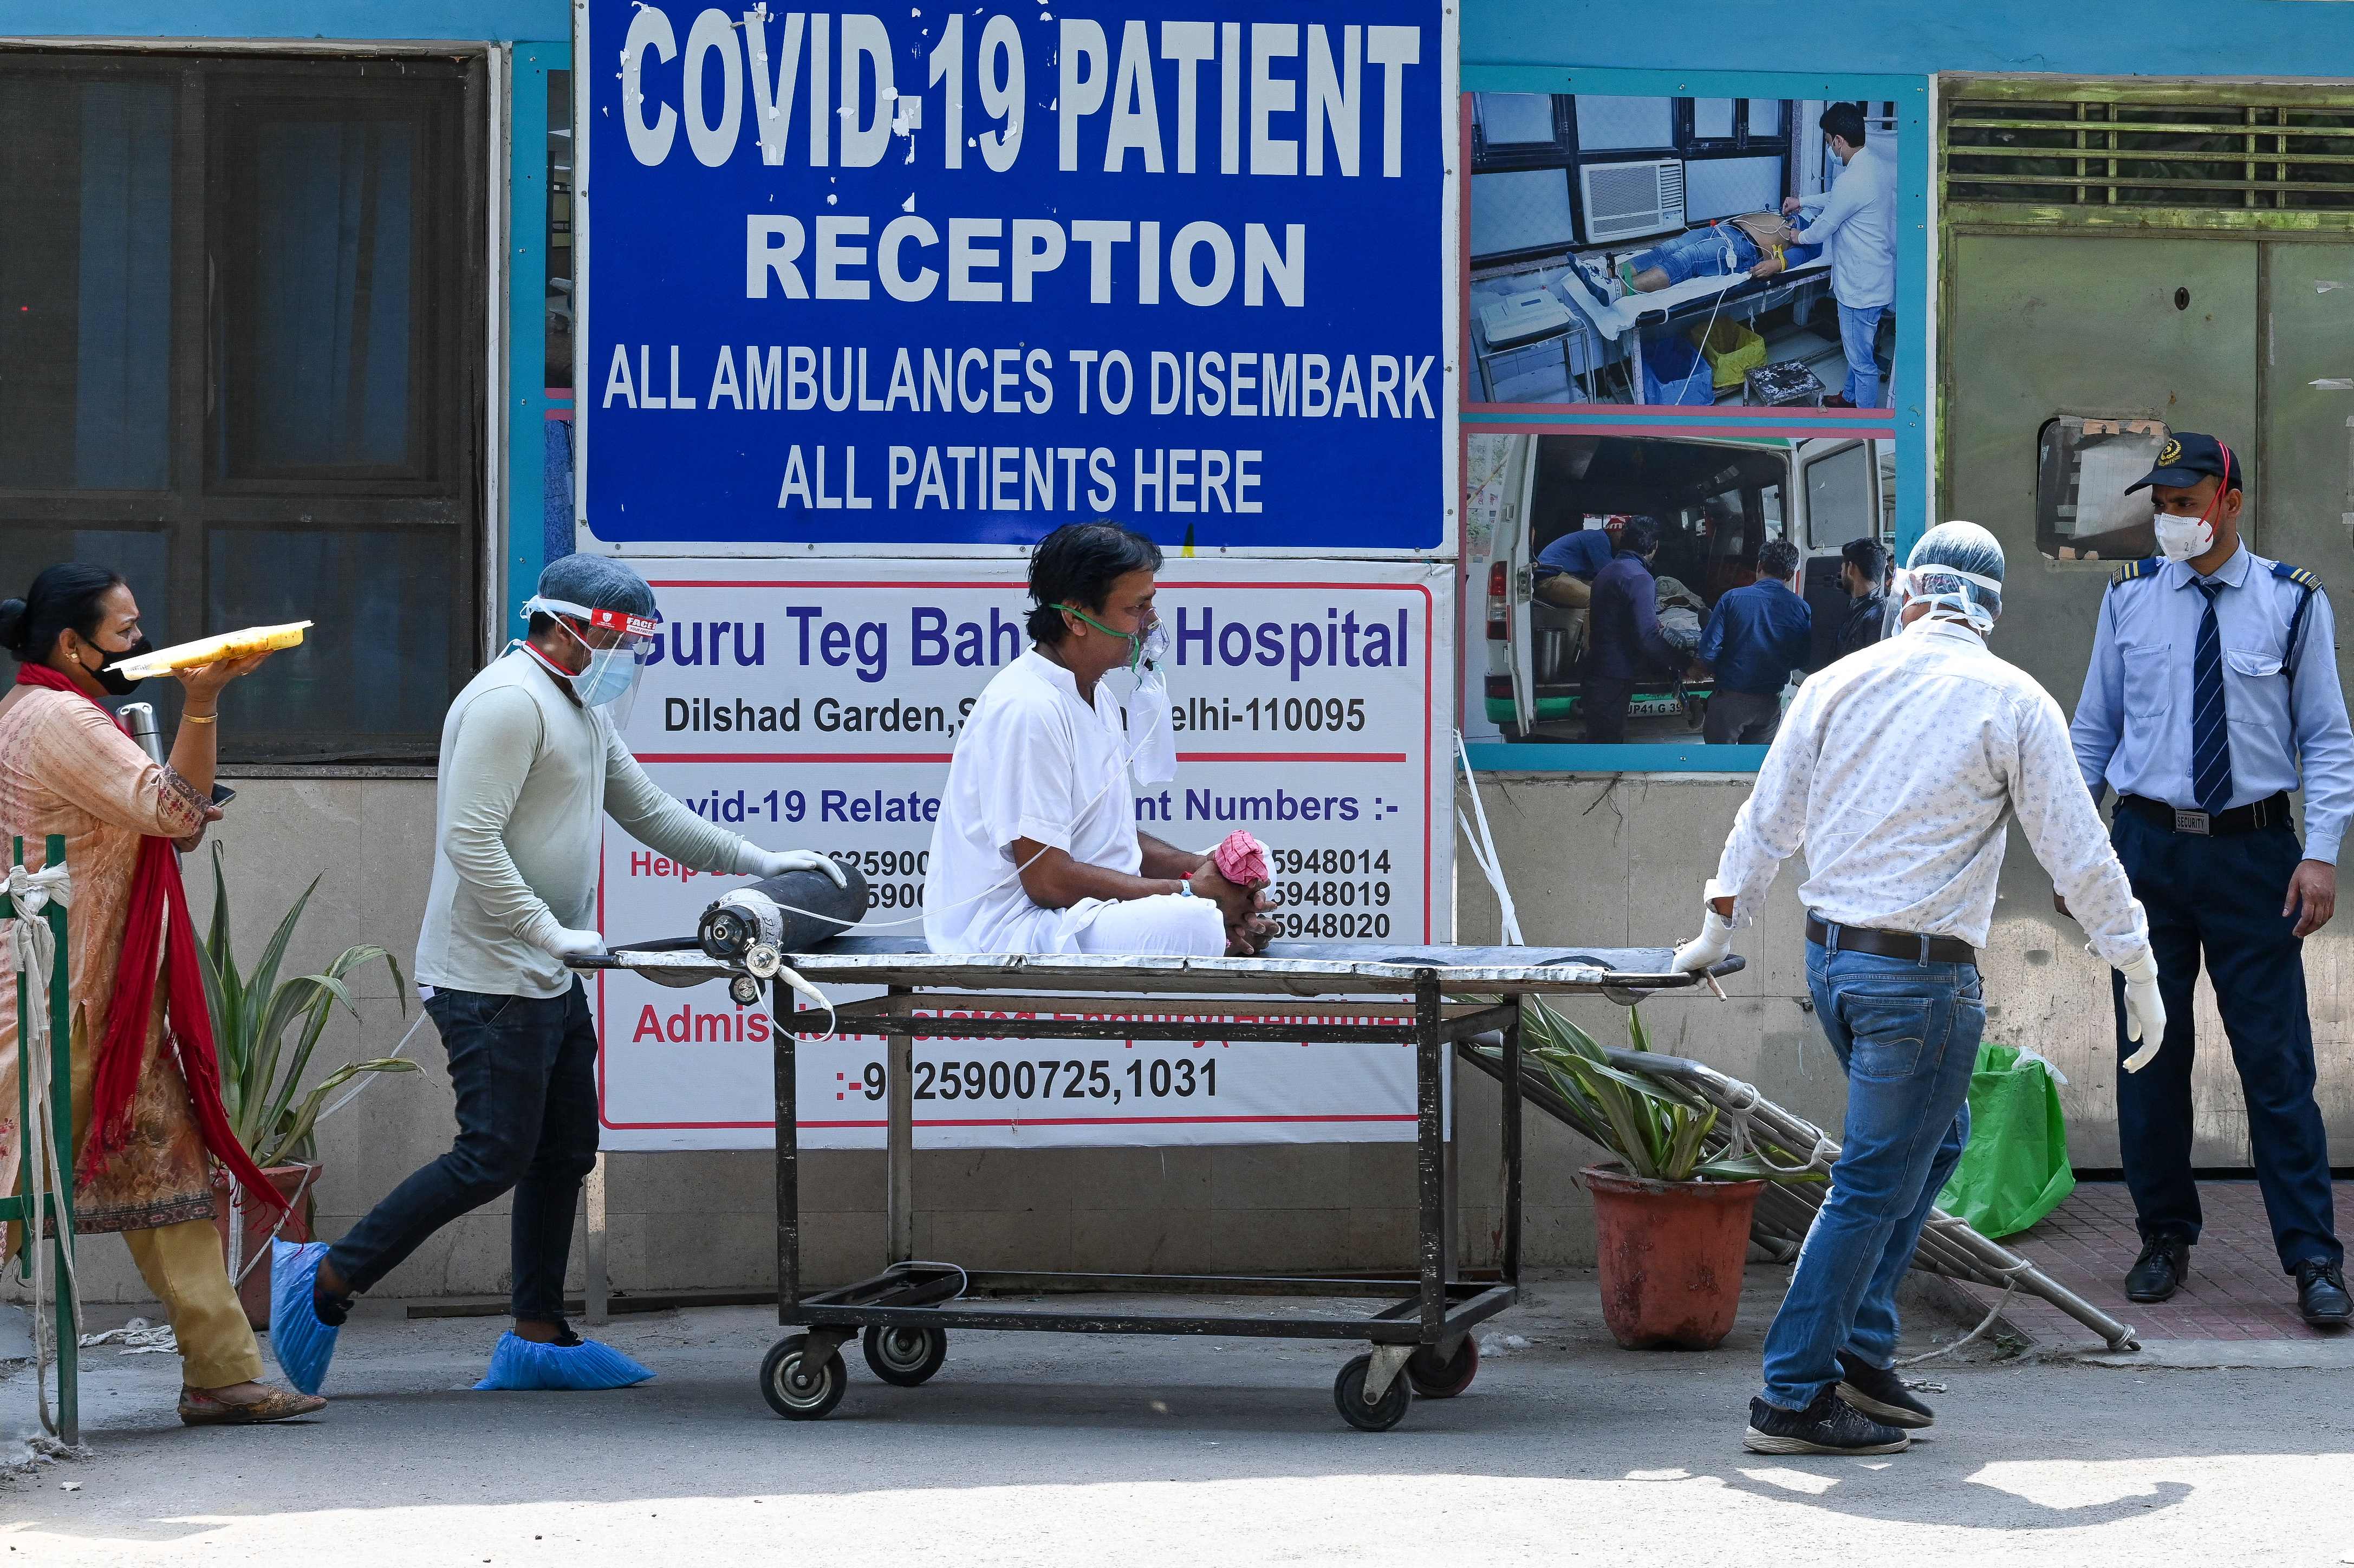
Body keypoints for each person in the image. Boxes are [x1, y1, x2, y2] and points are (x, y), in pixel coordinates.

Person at [271, 555, 848, 1394]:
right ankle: (325, 1279)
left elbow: (646, 809)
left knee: (565, 1146)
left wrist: (759, 860)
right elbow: (472, 841)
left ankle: (538, 1334)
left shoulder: (578, 702)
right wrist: (549, 931)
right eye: (620, 636)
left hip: (547, 968)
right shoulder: (511, 702)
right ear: (569, 624)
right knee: (492, 1154)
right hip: (489, 972)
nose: (628, 656)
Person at [1670, 522, 2161, 1455]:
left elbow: (1764, 822)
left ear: (1907, 595)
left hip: (1834, 966)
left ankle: (1858, 1350)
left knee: (1934, 1145)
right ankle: (1791, 1394)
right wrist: (2133, 960)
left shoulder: (1834, 685)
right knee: (1871, 1178)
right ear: (1992, 608)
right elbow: (2078, 851)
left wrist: (1716, 930)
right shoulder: (2013, 699)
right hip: (1921, 986)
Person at [0, 565, 323, 1426]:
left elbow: (164, 810)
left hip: (107, 995)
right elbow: (175, 811)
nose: (143, 642)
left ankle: (221, 1372)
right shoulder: (61, 717)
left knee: (170, 1175)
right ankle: (221, 1372)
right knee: (11, 1190)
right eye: (127, 629)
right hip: (55, 1004)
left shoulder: (55, 707)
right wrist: (205, 703)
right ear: (73, 645)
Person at [2069, 433, 2352, 1326]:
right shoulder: (2129, 605)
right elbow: (2091, 737)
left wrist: (2322, 852)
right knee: (2152, 1056)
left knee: (2276, 1063)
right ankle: (2164, 1236)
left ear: (2229, 501)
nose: (2171, 518)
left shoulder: (2291, 604)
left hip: (2253, 856)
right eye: (2163, 503)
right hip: (2146, 853)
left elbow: (2328, 738)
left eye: (2187, 502)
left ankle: (2311, 1257)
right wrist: (2079, 850)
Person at [925, 522, 1277, 958]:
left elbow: (1112, 841)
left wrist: (1207, 873)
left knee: (1254, 861)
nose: (1151, 624)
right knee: (1193, 921)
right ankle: (1219, 925)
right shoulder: (1029, 707)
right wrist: (1191, 893)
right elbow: (1046, 879)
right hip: (1013, 931)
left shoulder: (1097, 694)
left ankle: (1229, 921)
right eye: (1137, 608)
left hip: (1076, 912)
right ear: (1076, 617)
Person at [1783, 103, 1895, 409]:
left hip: (1861, 289)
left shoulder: (1852, 179)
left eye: (1827, 140)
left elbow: (1821, 230)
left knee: (1862, 361)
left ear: (1838, 141)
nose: (1829, 147)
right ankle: (1849, 397)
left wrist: (1797, 237)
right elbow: (1837, 198)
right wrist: (1802, 201)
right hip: (1875, 279)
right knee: (1857, 351)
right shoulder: (1873, 165)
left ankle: (1865, 428)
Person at [1581, 516, 1686, 744]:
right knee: (1607, 744)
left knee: (1599, 738)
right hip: (1614, 675)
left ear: (1622, 541)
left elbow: (1618, 619)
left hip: (1598, 669)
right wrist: (1684, 664)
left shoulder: (1607, 571)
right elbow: (1647, 637)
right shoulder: (1640, 578)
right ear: (1654, 546)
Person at [1696, 537, 1811, 744]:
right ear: (1790, 574)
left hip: (1730, 701)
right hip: (1770, 703)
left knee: (1719, 768)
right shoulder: (1801, 608)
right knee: (1755, 770)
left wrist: (1718, 668)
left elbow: (1708, 650)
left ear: (1759, 565)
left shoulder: (1732, 599)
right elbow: (1801, 660)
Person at [1617, 213, 1824, 294]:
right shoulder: (1803, 210)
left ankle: (1622, 290)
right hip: (1727, 230)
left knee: (1688, 257)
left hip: (1744, 249)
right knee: (1672, 246)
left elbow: (1802, 256)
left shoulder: (1817, 238)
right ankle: (1612, 274)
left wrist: (1777, 265)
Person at [1835, 537, 1893, 658]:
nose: (1841, 574)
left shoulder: (1876, 618)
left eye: (1842, 568)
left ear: (1851, 569)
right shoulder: (1871, 610)